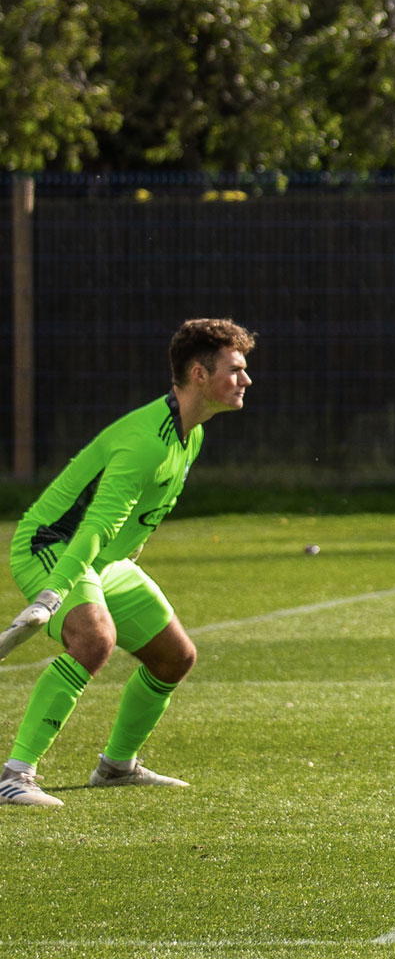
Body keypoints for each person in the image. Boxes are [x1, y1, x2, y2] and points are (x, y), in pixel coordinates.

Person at [0, 318, 254, 807]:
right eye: (236, 369)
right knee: (94, 639)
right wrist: (54, 594)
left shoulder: (191, 433)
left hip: (102, 559)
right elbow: (94, 527)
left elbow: (128, 525)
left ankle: (116, 768)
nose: (246, 380)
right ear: (199, 374)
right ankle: (15, 774)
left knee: (174, 657)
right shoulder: (147, 442)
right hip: (53, 546)